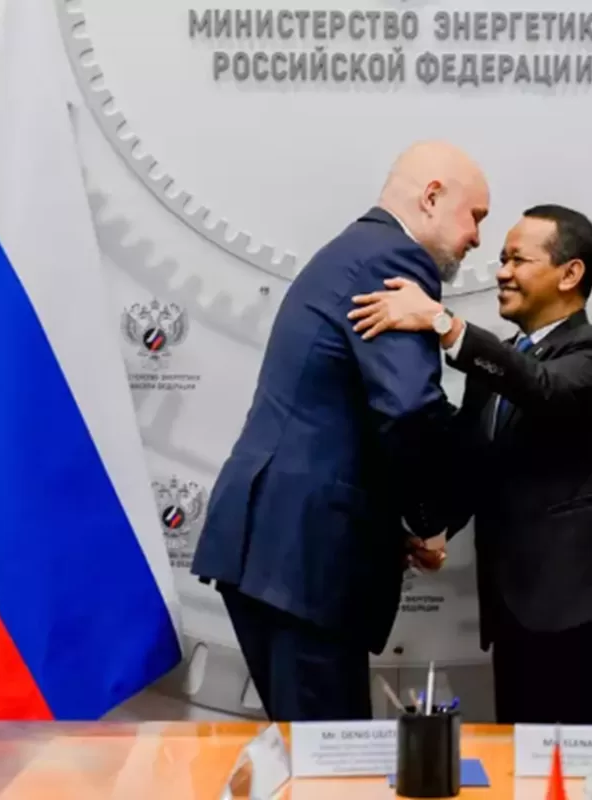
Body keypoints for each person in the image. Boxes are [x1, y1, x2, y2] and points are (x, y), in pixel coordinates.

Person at [190, 140, 490, 721]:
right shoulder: (396, 260)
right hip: (304, 560)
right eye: (474, 215)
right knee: (332, 759)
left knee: (315, 751)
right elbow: (408, 408)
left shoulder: (353, 250)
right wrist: (429, 520)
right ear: (431, 197)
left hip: (278, 551)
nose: (477, 236)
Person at [349, 204, 592, 725]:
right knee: (525, 762)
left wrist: (444, 324)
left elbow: (548, 390)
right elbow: (473, 468)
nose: (501, 273)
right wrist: (431, 528)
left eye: (518, 260)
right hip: (516, 621)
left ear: (570, 273)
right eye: (501, 259)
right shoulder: (495, 366)